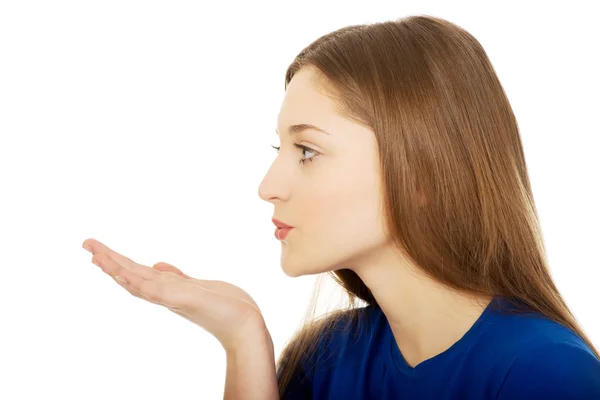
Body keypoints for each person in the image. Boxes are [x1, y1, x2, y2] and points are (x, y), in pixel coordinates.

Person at [82, 14, 600, 400]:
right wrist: (242, 337)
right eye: (279, 149)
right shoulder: (325, 359)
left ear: (421, 172)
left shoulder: (546, 373)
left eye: (307, 150)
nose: (268, 186)